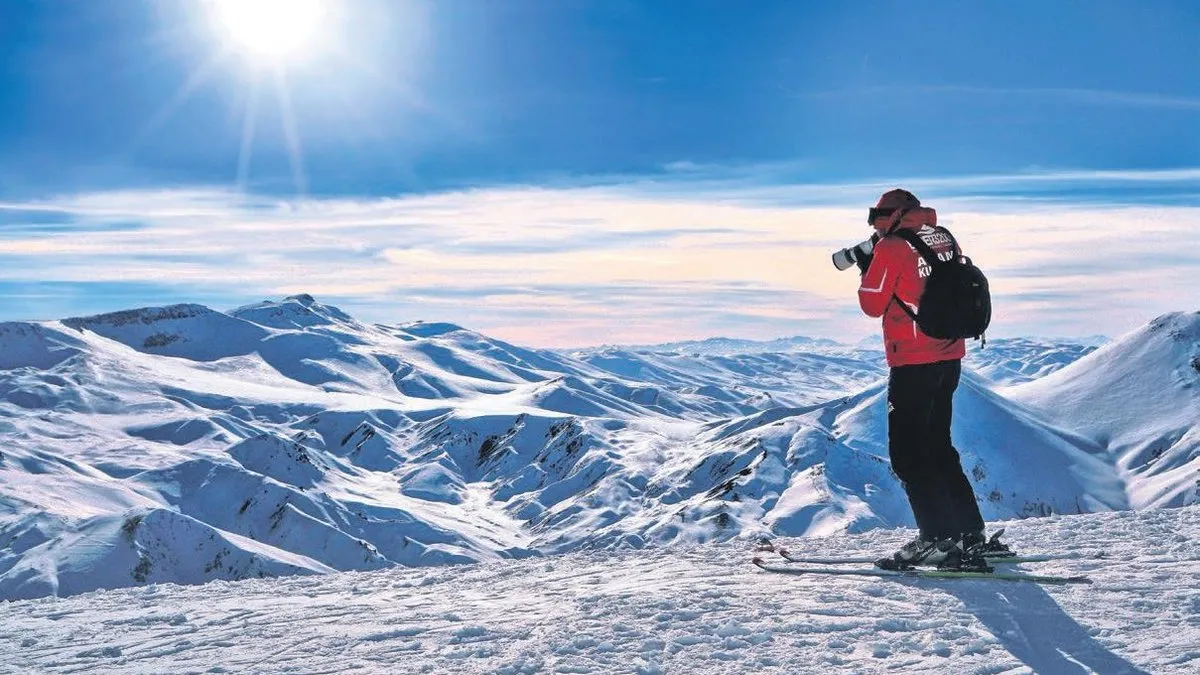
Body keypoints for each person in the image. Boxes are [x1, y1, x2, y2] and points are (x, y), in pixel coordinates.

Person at [855, 188, 1010, 571]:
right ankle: (970, 534)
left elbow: (872, 303)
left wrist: (868, 265)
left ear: (889, 216)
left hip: (913, 359)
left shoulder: (891, 247)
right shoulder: (944, 238)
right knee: (939, 447)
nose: (875, 226)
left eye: (877, 218)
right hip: (948, 356)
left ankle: (937, 539)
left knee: (909, 454)